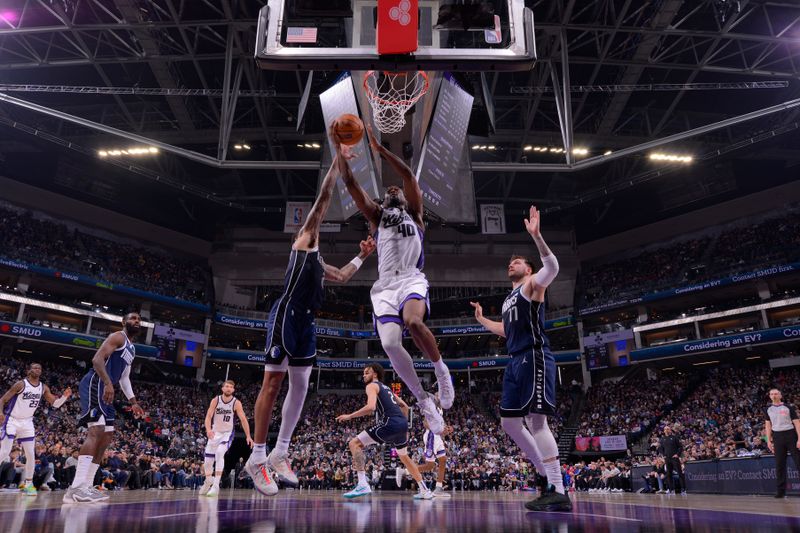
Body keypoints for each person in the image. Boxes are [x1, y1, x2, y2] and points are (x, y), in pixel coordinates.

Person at [245, 145, 376, 496]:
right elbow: (322, 199)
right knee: (272, 386)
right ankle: (256, 457)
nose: (316, 230)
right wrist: (336, 162)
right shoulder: (304, 243)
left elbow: (344, 276)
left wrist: (362, 257)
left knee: (301, 386)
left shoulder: (318, 263)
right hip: (285, 315)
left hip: (306, 322)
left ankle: (280, 452)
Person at [335, 125, 453, 433]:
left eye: (395, 190)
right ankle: (424, 399)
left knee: (413, 322)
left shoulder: (414, 214)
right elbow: (348, 182)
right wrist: (342, 152)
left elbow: (409, 178)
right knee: (389, 342)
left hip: (411, 279)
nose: (393, 190)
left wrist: (382, 151)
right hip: (385, 286)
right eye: (388, 192)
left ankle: (441, 370)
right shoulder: (376, 216)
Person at [469, 206, 570, 512]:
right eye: (509, 263)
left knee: (537, 422)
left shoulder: (532, 285)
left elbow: (552, 267)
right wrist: (483, 320)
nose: (510, 264)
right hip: (514, 359)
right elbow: (506, 331)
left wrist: (537, 237)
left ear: (528, 269)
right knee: (510, 422)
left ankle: (557, 487)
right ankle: (543, 477)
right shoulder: (508, 299)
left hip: (534, 356)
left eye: (516, 261)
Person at [63, 311, 145, 503]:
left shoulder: (132, 348)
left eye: (139, 320)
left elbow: (124, 378)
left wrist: (133, 402)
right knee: (96, 430)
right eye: (133, 318)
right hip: (95, 382)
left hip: (106, 387)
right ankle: (75, 488)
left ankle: (88, 485)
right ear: (124, 322)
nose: (137, 321)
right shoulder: (117, 337)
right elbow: (97, 360)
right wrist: (108, 383)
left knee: (107, 436)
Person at [336, 363, 432, 500]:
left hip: (390, 422)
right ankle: (424, 489)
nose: (364, 375)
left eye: (367, 372)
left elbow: (371, 407)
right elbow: (404, 406)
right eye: (363, 373)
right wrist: (403, 426)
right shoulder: (387, 388)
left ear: (375, 374)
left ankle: (362, 483)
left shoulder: (371, 386)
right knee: (405, 457)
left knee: (354, 443)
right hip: (402, 424)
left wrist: (350, 416)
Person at [0, 362, 72, 495]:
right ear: (29, 370)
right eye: (34, 367)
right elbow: (3, 399)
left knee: (30, 455)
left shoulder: (43, 387)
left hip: (27, 422)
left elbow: (55, 404)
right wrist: (1, 412)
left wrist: (64, 397)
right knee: (4, 451)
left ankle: (28, 484)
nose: (37, 369)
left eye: (39, 368)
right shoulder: (20, 384)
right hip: (12, 420)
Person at [199, 380, 253, 497]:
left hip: (227, 433)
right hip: (215, 432)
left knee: (219, 453)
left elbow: (243, 419)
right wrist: (208, 430)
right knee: (207, 462)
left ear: (233, 390)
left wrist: (248, 435)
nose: (228, 388)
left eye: (231, 387)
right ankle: (208, 481)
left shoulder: (236, 403)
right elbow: (208, 416)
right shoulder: (215, 400)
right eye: (227, 386)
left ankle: (216, 485)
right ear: (222, 388)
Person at [765, 387, 800, 498]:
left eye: (776, 393)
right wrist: (768, 440)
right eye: (772, 394)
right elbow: (768, 425)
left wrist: (799, 438)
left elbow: (797, 423)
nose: (774, 396)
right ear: (770, 396)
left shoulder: (789, 407)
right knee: (779, 465)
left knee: (798, 462)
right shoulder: (768, 409)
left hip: (791, 435)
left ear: (780, 395)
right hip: (777, 436)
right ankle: (781, 491)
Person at [417, 410, 453, 497]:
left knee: (443, 460)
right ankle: (406, 471)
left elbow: (440, 428)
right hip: (431, 437)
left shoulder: (440, 410)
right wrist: (438, 429)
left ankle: (438, 488)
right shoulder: (431, 406)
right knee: (430, 466)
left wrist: (445, 430)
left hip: (437, 438)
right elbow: (425, 423)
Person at [657, 425, 685, 494]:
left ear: (670, 430)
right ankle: (671, 489)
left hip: (674, 458)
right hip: (667, 459)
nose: (666, 430)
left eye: (668, 429)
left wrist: (677, 454)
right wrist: (663, 455)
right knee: (668, 474)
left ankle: (683, 489)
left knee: (680, 473)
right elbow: (660, 449)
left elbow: (680, 447)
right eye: (665, 429)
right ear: (664, 431)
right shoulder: (662, 439)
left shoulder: (675, 438)